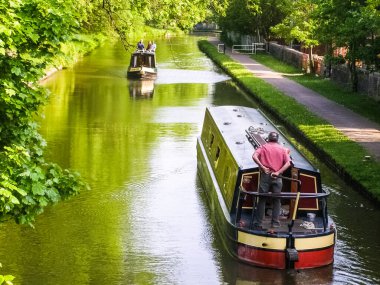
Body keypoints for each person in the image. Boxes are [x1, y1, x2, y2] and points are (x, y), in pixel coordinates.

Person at [252, 131, 291, 229]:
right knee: (277, 201)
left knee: (262, 199)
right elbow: (288, 163)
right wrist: (278, 172)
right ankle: (275, 223)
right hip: (277, 177)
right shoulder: (282, 149)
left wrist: (262, 166)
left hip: (266, 175)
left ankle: (259, 223)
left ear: (268, 139)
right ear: (277, 139)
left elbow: (254, 156)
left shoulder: (263, 147)